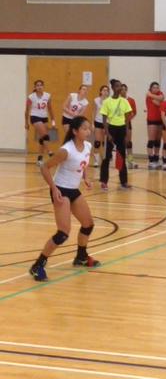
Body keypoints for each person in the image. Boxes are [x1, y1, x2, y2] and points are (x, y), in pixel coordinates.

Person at [29, 116, 100, 281]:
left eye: (89, 128)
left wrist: (86, 178)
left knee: (88, 224)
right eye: (84, 128)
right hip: (61, 189)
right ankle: (37, 265)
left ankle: (81, 257)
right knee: (63, 233)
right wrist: (53, 189)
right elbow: (45, 167)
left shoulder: (88, 146)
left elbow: (83, 164)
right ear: (75, 131)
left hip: (74, 190)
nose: (88, 131)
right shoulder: (66, 150)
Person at [100, 79, 133, 190]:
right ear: (113, 88)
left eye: (121, 86)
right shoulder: (107, 102)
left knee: (121, 155)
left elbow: (128, 116)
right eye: (118, 86)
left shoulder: (124, 101)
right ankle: (104, 181)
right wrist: (107, 132)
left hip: (121, 128)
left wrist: (126, 132)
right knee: (107, 156)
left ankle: (123, 181)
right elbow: (104, 118)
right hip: (111, 128)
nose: (120, 88)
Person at [25, 79, 56, 166]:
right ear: (35, 87)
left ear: (43, 86)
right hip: (34, 117)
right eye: (37, 85)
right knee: (46, 136)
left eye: (41, 85)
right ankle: (50, 152)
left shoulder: (47, 96)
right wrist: (26, 122)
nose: (39, 87)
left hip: (44, 117)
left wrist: (53, 121)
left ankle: (39, 159)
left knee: (42, 139)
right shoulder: (31, 97)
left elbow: (50, 109)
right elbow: (27, 110)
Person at [145, 82, 164, 170]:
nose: (156, 89)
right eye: (154, 87)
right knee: (151, 141)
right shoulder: (148, 96)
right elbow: (158, 103)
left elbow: (161, 100)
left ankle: (156, 158)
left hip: (160, 120)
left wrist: (152, 96)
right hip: (151, 120)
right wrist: (156, 99)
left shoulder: (156, 94)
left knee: (158, 141)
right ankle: (151, 160)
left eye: (157, 87)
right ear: (151, 88)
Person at [120, 83, 138, 170]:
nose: (123, 91)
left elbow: (134, 112)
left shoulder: (131, 100)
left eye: (124, 89)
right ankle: (121, 160)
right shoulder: (116, 100)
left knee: (128, 142)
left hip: (127, 123)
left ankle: (130, 160)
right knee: (120, 142)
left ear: (126, 90)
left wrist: (128, 119)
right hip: (118, 123)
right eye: (121, 89)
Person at [92, 85, 109, 167]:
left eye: (107, 90)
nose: (105, 92)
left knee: (104, 142)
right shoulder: (96, 100)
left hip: (107, 123)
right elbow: (94, 112)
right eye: (104, 90)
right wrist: (92, 123)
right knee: (97, 142)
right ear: (101, 91)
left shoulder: (110, 101)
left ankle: (104, 158)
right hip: (98, 121)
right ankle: (96, 160)